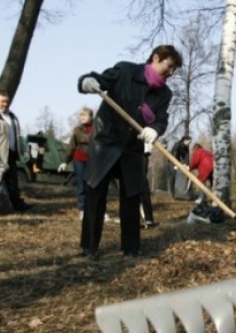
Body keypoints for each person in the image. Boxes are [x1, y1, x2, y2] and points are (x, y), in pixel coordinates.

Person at [77, 44, 182, 258]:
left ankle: (131, 247)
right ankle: (89, 246)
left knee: (132, 196)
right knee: (95, 193)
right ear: (156, 58)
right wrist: (86, 82)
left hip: (132, 148)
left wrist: (154, 129)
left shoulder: (164, 94)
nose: (170, 73)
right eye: (168, 67)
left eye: (173, 70)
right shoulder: (126, 71)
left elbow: (161, 118)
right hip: (106, 142)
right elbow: (98, 79)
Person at [0, 90, 32, 212]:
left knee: (12, 182)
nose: (5, 104)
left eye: (7, 101)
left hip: (12, 153)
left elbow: (18, 136)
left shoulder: (13, 117)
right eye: (2, 101)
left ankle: (16, 205)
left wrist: (24, 150)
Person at [58, 107, 94, 220]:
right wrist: (65, 161)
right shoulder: (77, 130)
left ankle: (93, 209)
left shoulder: (97, 128)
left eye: (85, 115)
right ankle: (82, 210)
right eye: (81, 115)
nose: (83, 117)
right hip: (79, 159)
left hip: (92, 160)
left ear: (91, 117)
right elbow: (71, 146)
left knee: (92, 185)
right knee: (81, 185)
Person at [140, 143, 159, 228]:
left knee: (143, 184)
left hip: (142, 152)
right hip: (133, 151)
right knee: (138, 185)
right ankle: (142, 218)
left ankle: (148, 218)